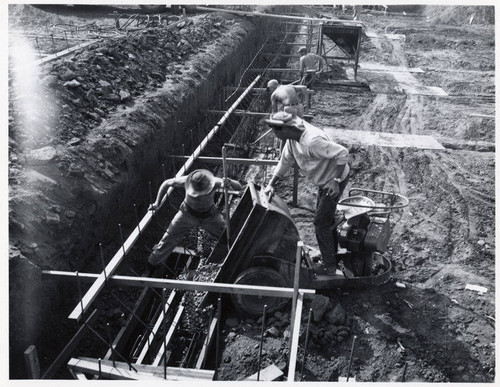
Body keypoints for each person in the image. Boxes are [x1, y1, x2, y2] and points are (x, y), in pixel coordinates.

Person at [263, 111, 350, 275]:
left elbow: (342, 153)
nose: (273, 135)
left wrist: (336, 181)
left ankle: (329, 266)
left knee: (320, 223)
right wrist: (271, 184)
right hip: (324, 179)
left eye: (274, 131)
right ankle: (331, 254)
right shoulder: (292, 139)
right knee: (327, 219)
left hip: (334, 180)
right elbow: (285, 160)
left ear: (285, 129)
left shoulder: (312, 141)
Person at [143, 169, 242, 277]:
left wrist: (230, 182)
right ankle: (151, 266)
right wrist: (157, 202)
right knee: (168, 239)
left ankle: (236, 258)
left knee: (229, 235)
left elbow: (239, 187)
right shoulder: (186, 181)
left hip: (210, 216)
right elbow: (167, 183)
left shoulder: (214, 182)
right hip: (186, 214)